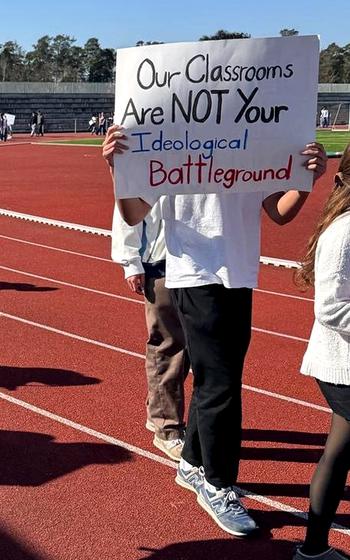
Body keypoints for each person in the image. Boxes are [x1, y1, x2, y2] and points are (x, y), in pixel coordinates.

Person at [103, 125, 327, 537]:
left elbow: (280, 211)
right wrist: (119, 169)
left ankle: (192, 464)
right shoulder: (175, 143)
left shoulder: (250, 142)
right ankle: (217, 483)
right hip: (193, 272)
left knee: (219, 380)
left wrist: (306, 180)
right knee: (220, 386)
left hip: (238, 273)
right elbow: (134, 212)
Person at [293, 145, 350, 560]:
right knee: (339, 450)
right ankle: (312, 549)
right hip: (341, 364)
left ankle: (313, 549)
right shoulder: (344, 230)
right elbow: (330, 305)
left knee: (340, 450)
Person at [111, 201, 189, 461]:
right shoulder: (146, 160)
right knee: (168, 346)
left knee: (191, 347)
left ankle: (157, 410)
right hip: (161, 264)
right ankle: (167, 427)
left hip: (199, 264)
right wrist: (131, 263)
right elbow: (127, 201)